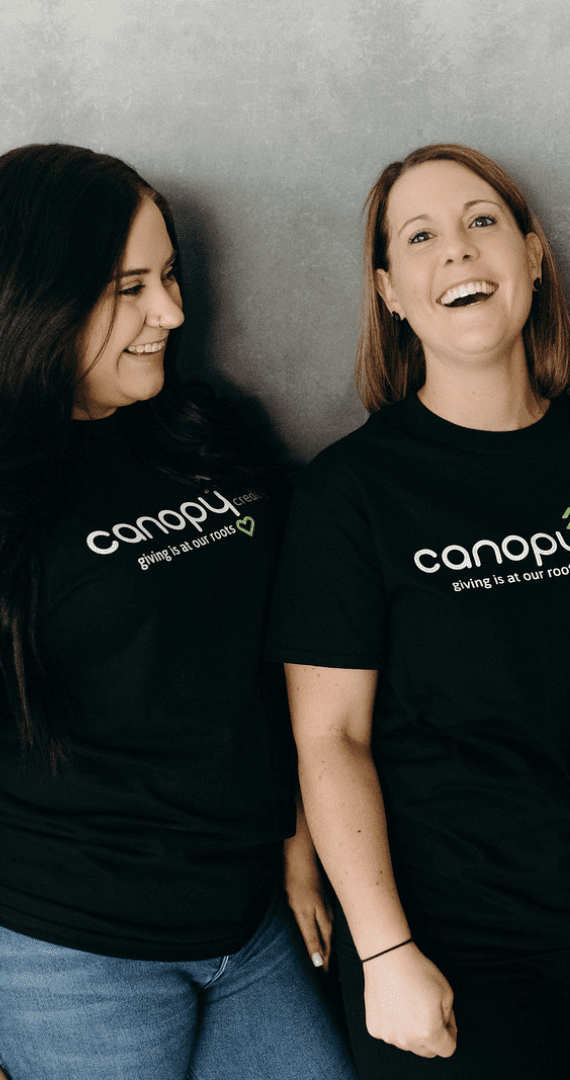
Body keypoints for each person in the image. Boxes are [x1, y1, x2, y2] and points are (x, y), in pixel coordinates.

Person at [267, 143, 570, 1079]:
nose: (459, 253)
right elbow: (330, 740)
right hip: (442, 935)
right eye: (421, 236)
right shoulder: (352, 494)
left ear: (534, 254)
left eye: (481, 223)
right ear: (390, 292)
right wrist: (384, 953)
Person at [0, 144, 357, 1080]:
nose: (173, 312)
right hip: (66, 949)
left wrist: (296, 841)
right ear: (32, 299)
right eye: (129, 287)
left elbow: (279, 661)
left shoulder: (202, 428)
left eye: (169, 276)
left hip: (244, 917)